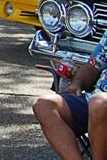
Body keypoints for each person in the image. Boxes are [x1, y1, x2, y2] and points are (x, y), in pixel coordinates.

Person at [34, 31, 107, 160]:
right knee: (44, 105)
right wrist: (77, 82)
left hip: (100, 103)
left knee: (99, 102)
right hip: (96, 103)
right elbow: (94, 66)